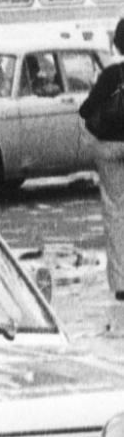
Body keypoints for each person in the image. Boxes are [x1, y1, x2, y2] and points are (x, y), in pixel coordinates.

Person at [80, 18, 124, 319]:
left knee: (115, 213)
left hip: (109, 149)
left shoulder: (111, 75)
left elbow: (86, 109)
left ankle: (121, 282)